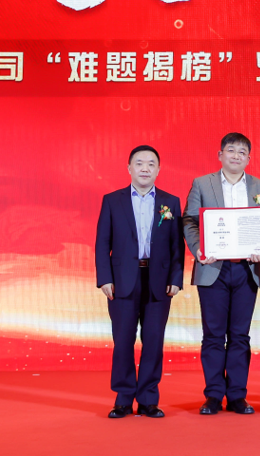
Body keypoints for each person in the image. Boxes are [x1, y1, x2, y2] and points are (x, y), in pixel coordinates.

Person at [182, 132, 260, 415]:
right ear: (220, 154)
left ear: (249, 158)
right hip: (213, 267)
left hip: (246, 269)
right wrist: (199, 249)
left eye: (242, 152)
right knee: (213, 334)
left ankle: (237, 395)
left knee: (240, 335)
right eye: (231, 150)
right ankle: (213, 395)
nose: (236, 156)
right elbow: (189, 221)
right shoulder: (202, 183)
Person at [95, 145, 184, 419]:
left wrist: (176, 278)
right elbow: (102, 243)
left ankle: (148, 399)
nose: (145, 168)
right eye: (139, 163)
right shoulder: (113, 200)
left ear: (158, 169)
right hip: (122, 280)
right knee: (123, 341)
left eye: (151, 164)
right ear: (129, 168)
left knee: (154, 341)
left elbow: (177, 246)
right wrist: (105, 278)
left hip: (159, 281)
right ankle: (123, 399)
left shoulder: (170, 202)